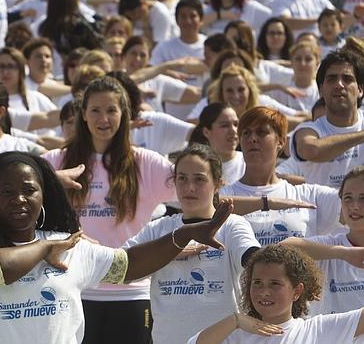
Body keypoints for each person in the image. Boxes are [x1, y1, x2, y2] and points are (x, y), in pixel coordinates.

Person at [0, 150, 235, 343]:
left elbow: (128, 265)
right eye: (6, 192)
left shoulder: (67, 244)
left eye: (29, 190)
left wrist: (183, 234)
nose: (19, 199)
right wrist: (44, 249)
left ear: (44, 196)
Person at [44, 76, 178, 344]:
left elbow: (199, 188)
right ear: (83, 114)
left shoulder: (145, 163)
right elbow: (13, 183)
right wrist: (49, 179)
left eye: (111, 110)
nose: (103, 118)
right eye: (95, 110)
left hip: (133, 292)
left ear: (124, 114)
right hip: (76, 290)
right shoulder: (58, 160)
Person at [122, 144, 260, 343]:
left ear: (218, 184)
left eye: (199, 179)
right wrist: (169, 250)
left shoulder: (232, 225)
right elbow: (119, 267)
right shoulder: (158, 228)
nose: (189, 188)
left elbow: (252, 257)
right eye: (182, 178)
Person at [188, 244, 364, 343]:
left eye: (275, 284)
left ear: (297, 291)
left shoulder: (317, 329)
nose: (264, 292)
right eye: (257, 283)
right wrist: (235, 320)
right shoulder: (234, 334)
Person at [221, 106, 342, 246]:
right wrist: (267, 203)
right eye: (246, 133)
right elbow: (205, 209)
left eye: (261, 132)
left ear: (281, 142)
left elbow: (355, 204)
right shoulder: (226, 194)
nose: (252, 139)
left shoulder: (310, 195)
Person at [281, 165, 364, 317]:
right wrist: (343, 253)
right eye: (348, 198)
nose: (354, 206)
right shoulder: (332, 245)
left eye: (363, 198)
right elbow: (283, 248)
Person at [291, 49, 364, 188]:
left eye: (347, 79)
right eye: (331, 79)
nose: (339, 85)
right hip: (321, 209)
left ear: (360, 90)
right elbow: (311, 150)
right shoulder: (308, 130)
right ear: (321, 91)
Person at [189, 103, 245, 185]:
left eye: (236, 124)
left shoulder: (249, 163)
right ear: (206, 132)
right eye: (225, 125)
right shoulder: (193, 166)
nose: (233, 130)